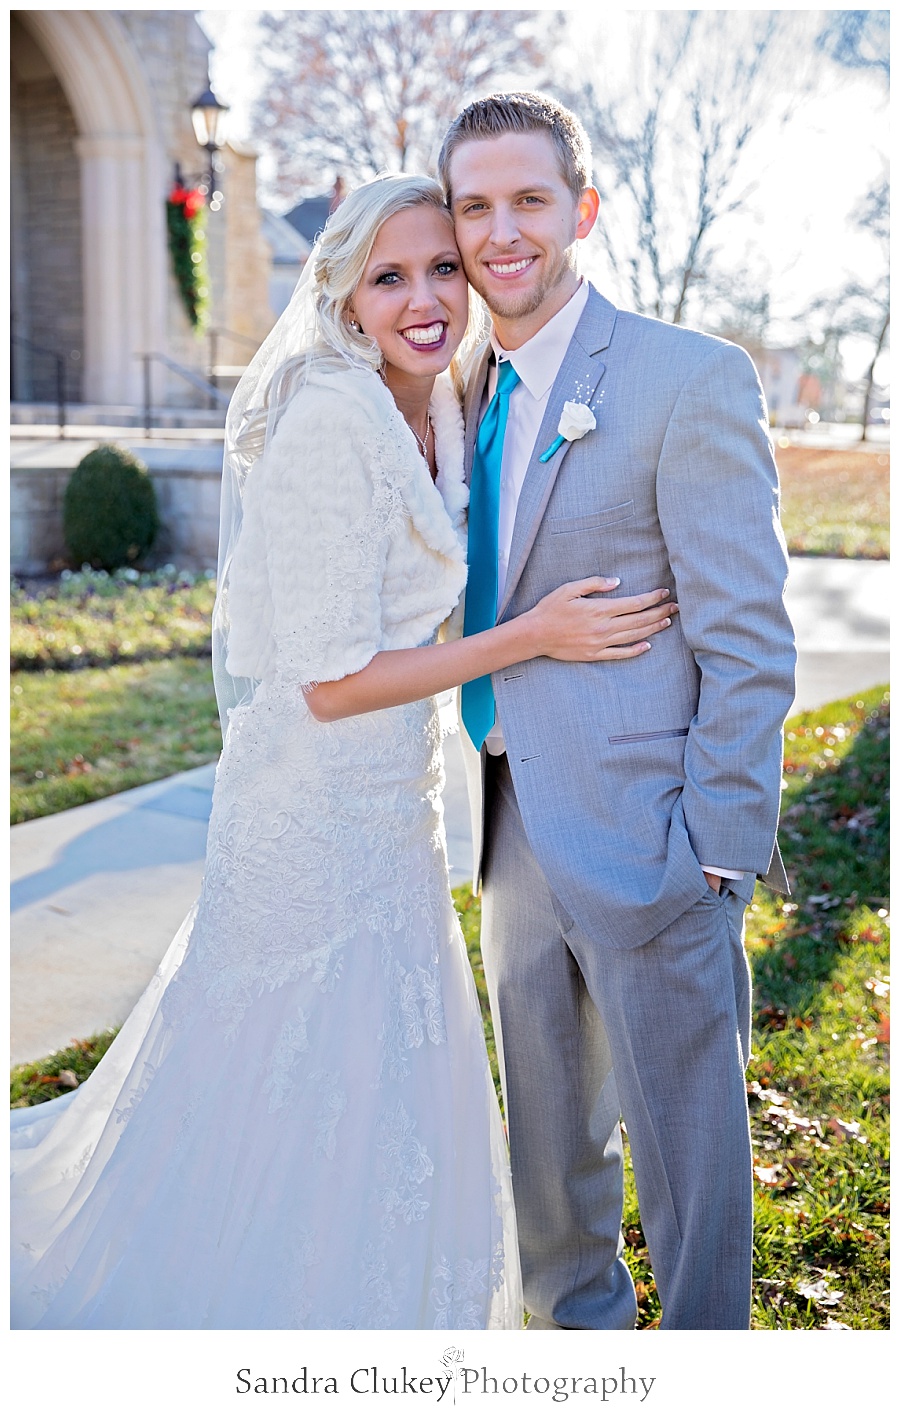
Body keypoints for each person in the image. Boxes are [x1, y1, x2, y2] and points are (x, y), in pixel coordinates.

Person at [10, 174, 675, 1330]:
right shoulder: (330, 424)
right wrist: (533, 635)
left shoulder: (445, 406)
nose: (424, 299)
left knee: (387, 1067)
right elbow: (327, 684)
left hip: (394, 804)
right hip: (308, 811)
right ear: (344, 297)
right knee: (290, 1068)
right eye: (389, 277)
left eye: (441, 271)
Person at [437, 93, 797, 1330]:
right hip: (505, 820)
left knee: (690, 1168)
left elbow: (747, 634)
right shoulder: (453, 383)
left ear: (580, 210)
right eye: (475, 205)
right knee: (548, 1156)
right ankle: (579, 1352)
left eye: (528, 198)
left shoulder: (685, 378)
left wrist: (720, 847)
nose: (502, 230)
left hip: (655, 837)